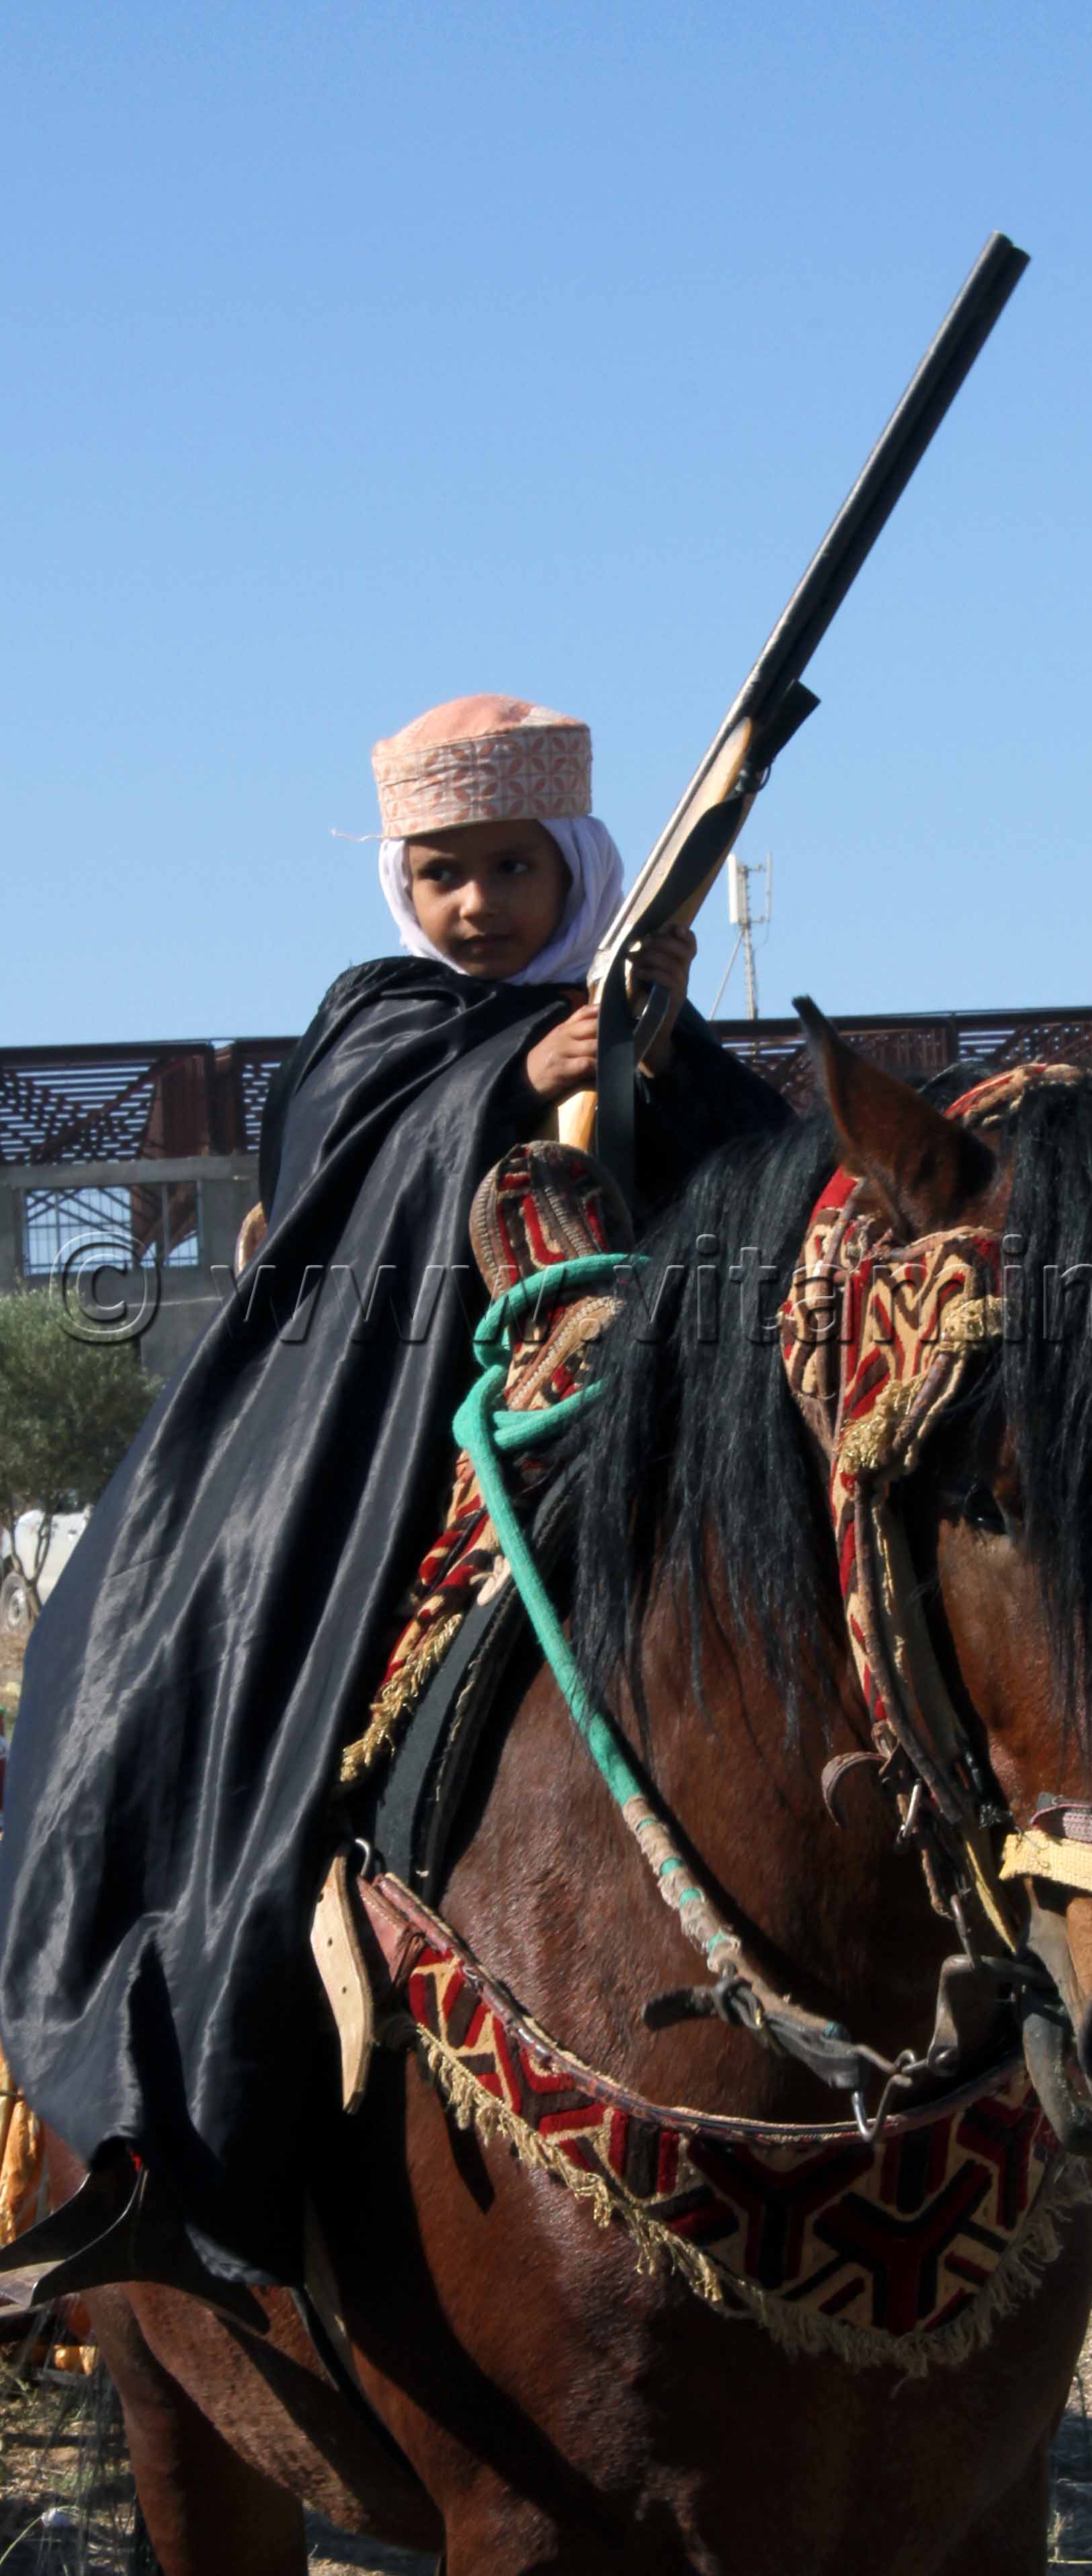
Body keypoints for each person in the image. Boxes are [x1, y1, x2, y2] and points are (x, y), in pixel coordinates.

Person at [0, 694, 792, 2288]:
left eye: (511, 867)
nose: (477, 904)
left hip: (618, 1461)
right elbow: (346, 1174)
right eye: (443, 872)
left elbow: (760, 1198)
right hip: (378, 1459)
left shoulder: (647, 1014)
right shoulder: (374, 1017)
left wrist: (659, 1052)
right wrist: (519, 1076)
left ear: (576, 860)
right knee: (200, 1708)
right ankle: (173, 2105)